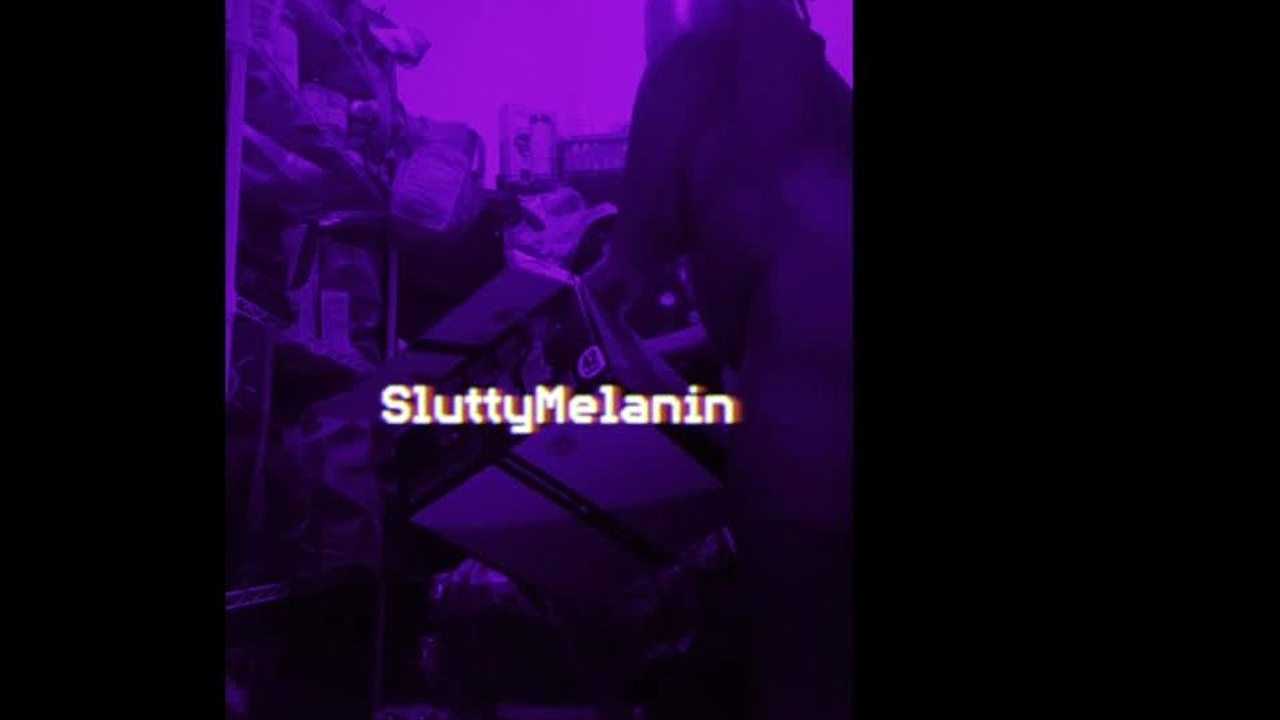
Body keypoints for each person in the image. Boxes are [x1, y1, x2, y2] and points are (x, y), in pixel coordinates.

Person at [583, 1, 853, 717]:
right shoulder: (824, 85)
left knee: (804, 678)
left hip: (806, 449)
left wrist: (555, 309)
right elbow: (790, 295)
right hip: (816, 402)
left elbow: (629, 266)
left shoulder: (688, 68)